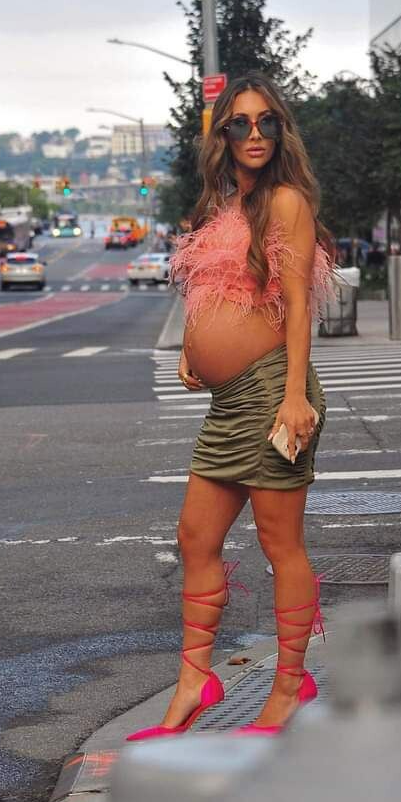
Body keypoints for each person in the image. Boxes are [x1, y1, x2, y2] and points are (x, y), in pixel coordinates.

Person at [125, 72, 334, 741]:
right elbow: (219, 289)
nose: (254, 133)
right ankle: (195, 679)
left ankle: (290, 684)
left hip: (273, 393)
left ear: (281, 131)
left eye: (266, 121)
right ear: (221, 134)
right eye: (239, 123)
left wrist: (295, 396)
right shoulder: (223, 206)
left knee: (281, 544)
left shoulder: (286, 201)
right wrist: (194, 347)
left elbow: (297, 303)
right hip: (228, 401)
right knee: (195, 536)